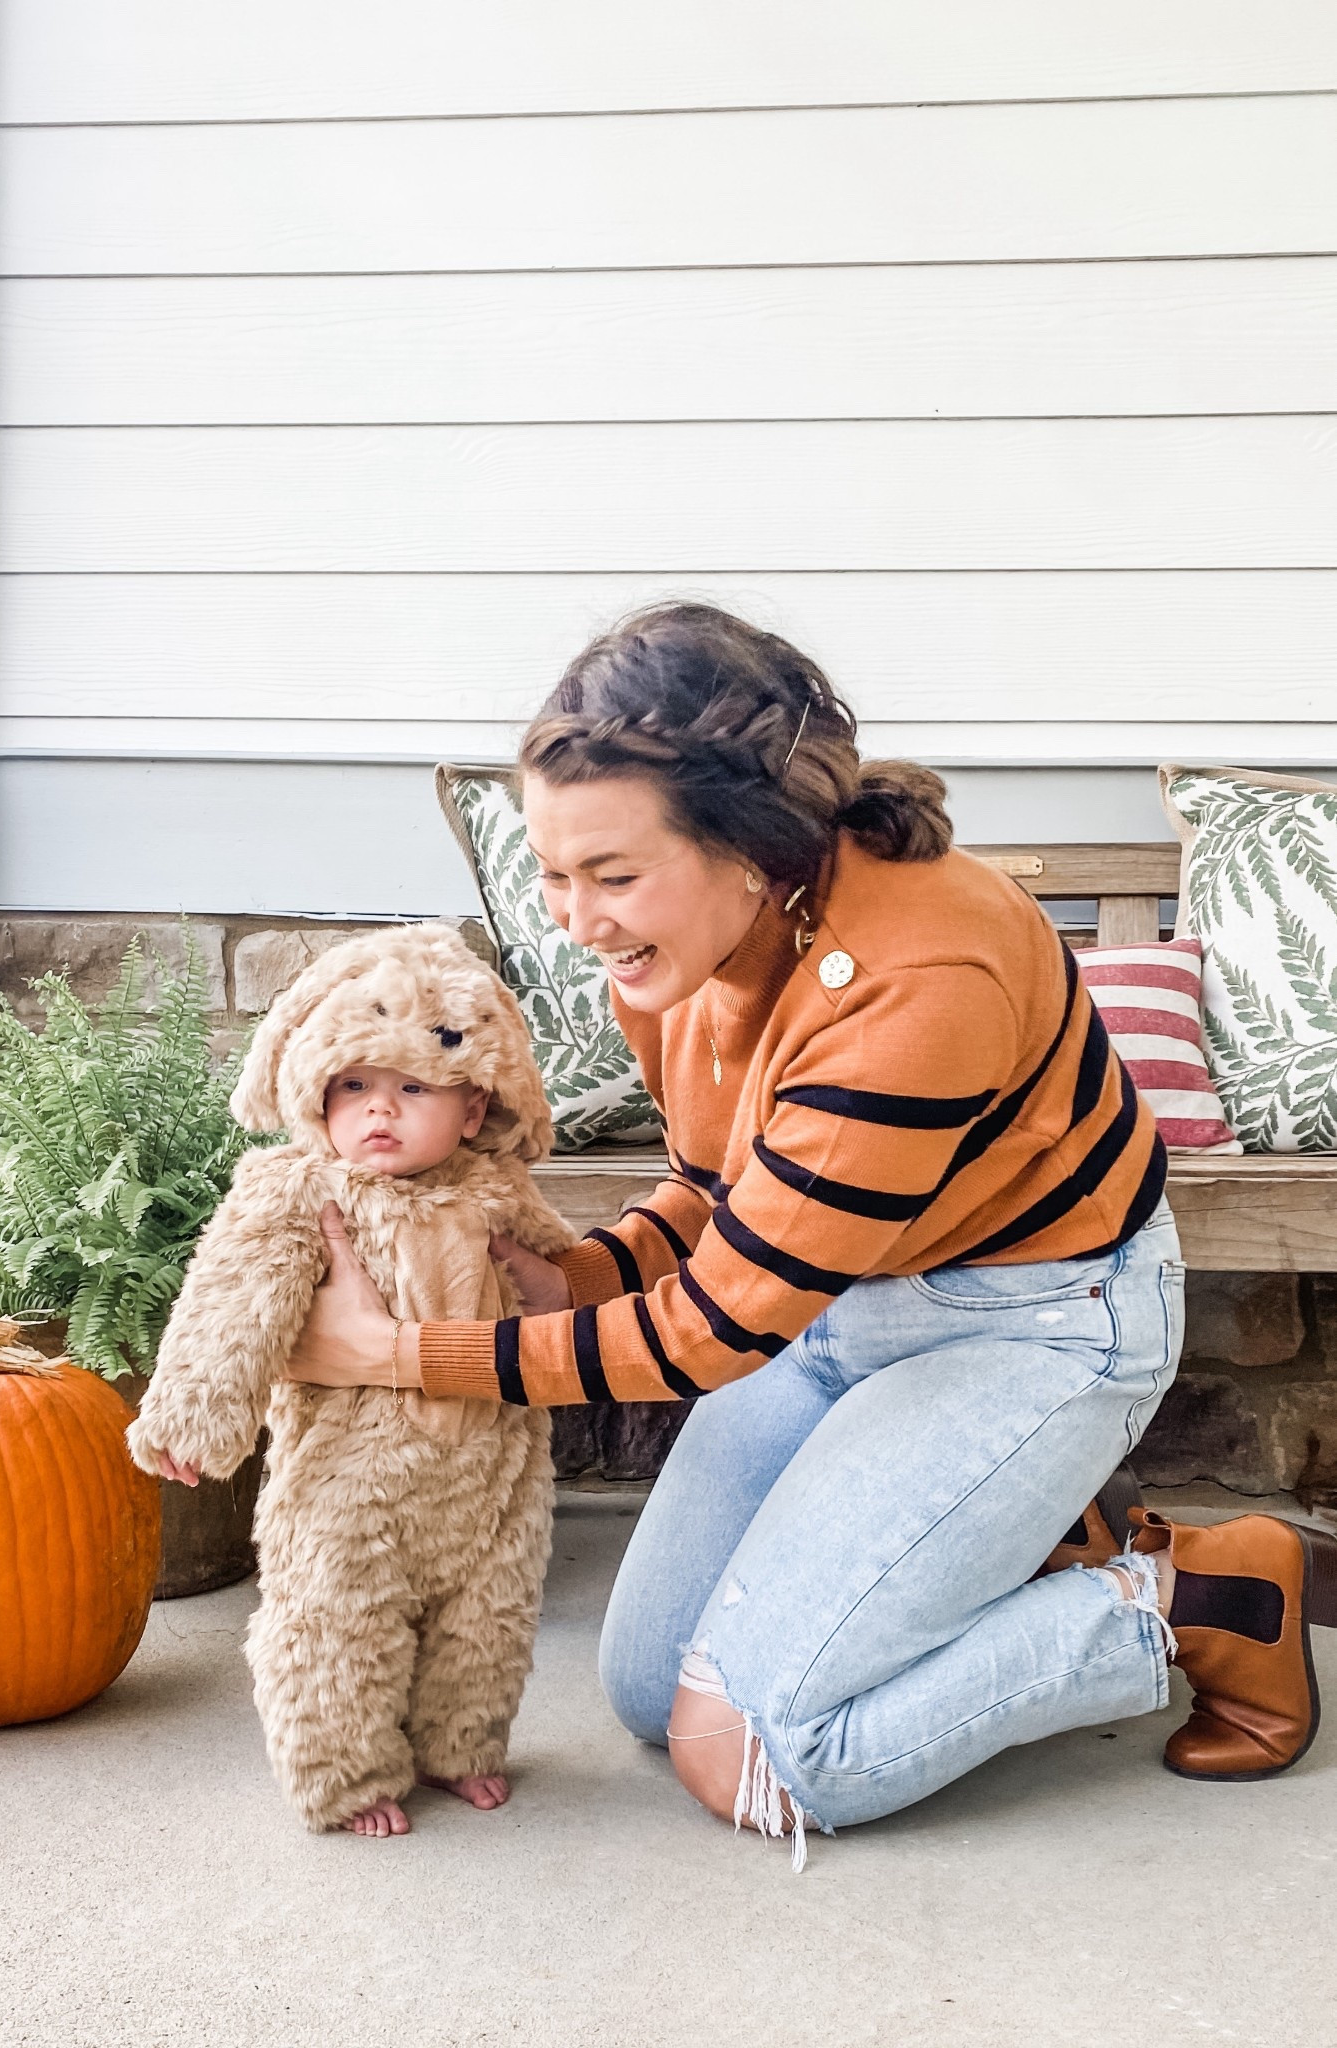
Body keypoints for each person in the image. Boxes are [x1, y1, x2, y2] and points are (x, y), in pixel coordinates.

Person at [284, 603, 1337, 1865]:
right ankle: (1038, 1531)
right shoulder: (682, 952)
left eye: (613, 874)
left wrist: (400, 1352)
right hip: (837, 1297)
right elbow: (715, 1193)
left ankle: (1201, 1601)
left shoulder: (918, 982)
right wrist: (568, 1277)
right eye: (554, 871)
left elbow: (715, 1328)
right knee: (645, 1687)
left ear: (751, 847)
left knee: (761, 1754)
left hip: (1040, 1321)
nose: (576, 918)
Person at [127, 924, 576, 1838]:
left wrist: (556, 1295)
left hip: (490, 1469)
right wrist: (195, 1416)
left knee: (485, 1616)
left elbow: (568, 1276)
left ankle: (460, 1745)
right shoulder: (297, 1191)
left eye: (414, 1087)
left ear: (476, 1104)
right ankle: (346, 1773)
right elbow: (232, 1300)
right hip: (349, 1480)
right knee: (334, 1616)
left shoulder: (495, 1191)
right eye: (356, 1087)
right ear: (314, 1093)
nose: (381, 1110)